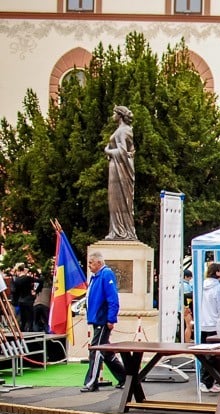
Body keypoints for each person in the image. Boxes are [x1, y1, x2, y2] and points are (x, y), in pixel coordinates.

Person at [81, 251, 126, 392]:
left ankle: (91, 382)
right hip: (97, 318)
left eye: (91, 262)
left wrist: (111, 318)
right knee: (106, 352)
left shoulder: (106, 275)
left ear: (99, 263)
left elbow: (113, 298)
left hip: (102, 319)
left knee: (96, 350)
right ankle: (125, 377)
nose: (89, 265)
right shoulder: (95, 277)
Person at [104, 105, 137, 241]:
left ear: (120, 116)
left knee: (117, 200)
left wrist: (108, 151)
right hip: (117, 166)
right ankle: (117, 229)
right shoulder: (124, 130)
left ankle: (120, 230)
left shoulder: (122, 131)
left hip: (119, 168)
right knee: (115, 201)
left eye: (114, 113)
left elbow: (123, 151)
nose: (112, 116)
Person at [198, 262, 220, 393]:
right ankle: (208, 381)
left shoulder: (201, 286)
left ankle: (206, 381)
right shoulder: (219, 289)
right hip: (215, 325)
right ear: (217, 272)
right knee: (214, 356)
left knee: (205, 355)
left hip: (202, 324)